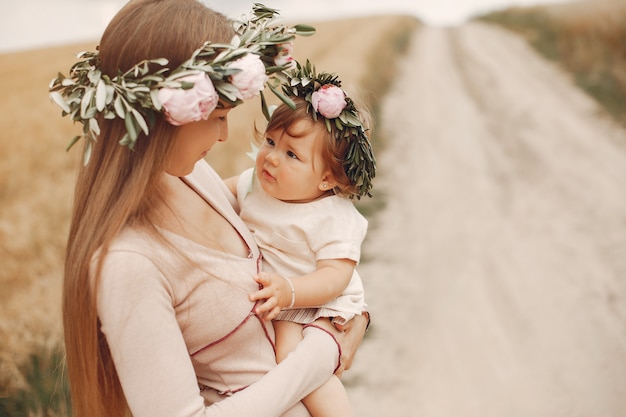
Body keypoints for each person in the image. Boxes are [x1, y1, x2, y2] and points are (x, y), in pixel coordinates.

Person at [50, 1, 369, 417]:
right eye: (218, 115)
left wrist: (355, 316)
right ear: (167, 115)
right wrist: (322, 349)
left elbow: (295, 242)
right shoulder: (127, 265)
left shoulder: (193, 176)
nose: (224, 136)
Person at [225, 64, 376, 417]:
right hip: (283, 297)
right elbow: (211, 197)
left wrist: (289, 291)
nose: (272, 159)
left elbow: (335, 277)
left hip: (317, 300)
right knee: (286, 365)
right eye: (270, 142)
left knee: (294, 362)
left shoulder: (332, 217)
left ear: (326, 179)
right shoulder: (253, 183)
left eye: (292, 155)